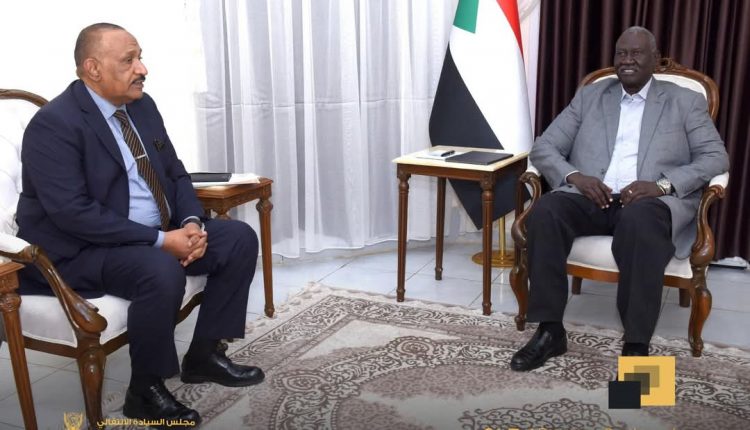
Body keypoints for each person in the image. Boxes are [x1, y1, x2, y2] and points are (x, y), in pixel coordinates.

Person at [16, 23, 265, 424]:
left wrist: (191, 224)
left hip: (149, 235)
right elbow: (72, 213)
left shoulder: (142, 106)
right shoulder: (54, 124)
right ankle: (144, 391)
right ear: (93, 68)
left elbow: (175, 173)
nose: (142, 69)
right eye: (129, 60)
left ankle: (204, 356)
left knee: (237, 237)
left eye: (140, 58)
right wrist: (160, 241)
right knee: (159, 268)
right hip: (79, 250)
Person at [509, 26, 729, 371]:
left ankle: (637, 348)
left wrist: (662, 185)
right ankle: (550, 332)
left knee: (639, 223)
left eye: (636, 53)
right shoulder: (590, 96)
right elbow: (544, 146)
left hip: (649, 203)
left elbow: (716, 157)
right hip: (592, 197)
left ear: (655, 59)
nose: (627, 60)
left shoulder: (685, 100)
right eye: (621, 53)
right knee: (546, 211)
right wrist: (575, 177)